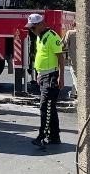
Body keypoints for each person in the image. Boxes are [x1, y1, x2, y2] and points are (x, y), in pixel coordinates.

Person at [26, 13, 64, 147]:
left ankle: (42, 136)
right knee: (50, 108)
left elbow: (60, 58)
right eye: (30, 28)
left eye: (33, 27)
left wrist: (61, 77)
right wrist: (38, 73)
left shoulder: (52, 37)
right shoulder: (39, 37)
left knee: (45, 107)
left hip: (52, 76)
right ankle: (55, 137)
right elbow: (41, 57)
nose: (32, 30)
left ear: (41, 24)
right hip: (43, 76)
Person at [61, 28, 78, 98]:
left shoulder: (70, 33)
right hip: (85, 60)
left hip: (74, 60)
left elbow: (62, 45)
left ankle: (81, 95)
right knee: (76, 77)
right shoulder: (88, 32)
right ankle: (73, 94)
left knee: (76, 77)